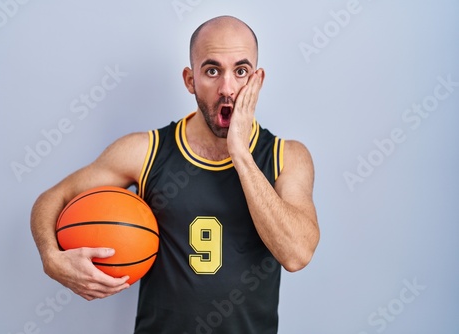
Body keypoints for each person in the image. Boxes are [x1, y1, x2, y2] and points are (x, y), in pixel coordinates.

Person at [30, 15, 320, 333]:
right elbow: (53, 198)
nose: (227, 88)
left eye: (240, 71)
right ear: (189, 80)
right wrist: (50, 256)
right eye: (212, 71)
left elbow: (297, 254)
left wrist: (241, 155)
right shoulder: (146, 150)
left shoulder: (286, 156)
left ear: (257, 79)